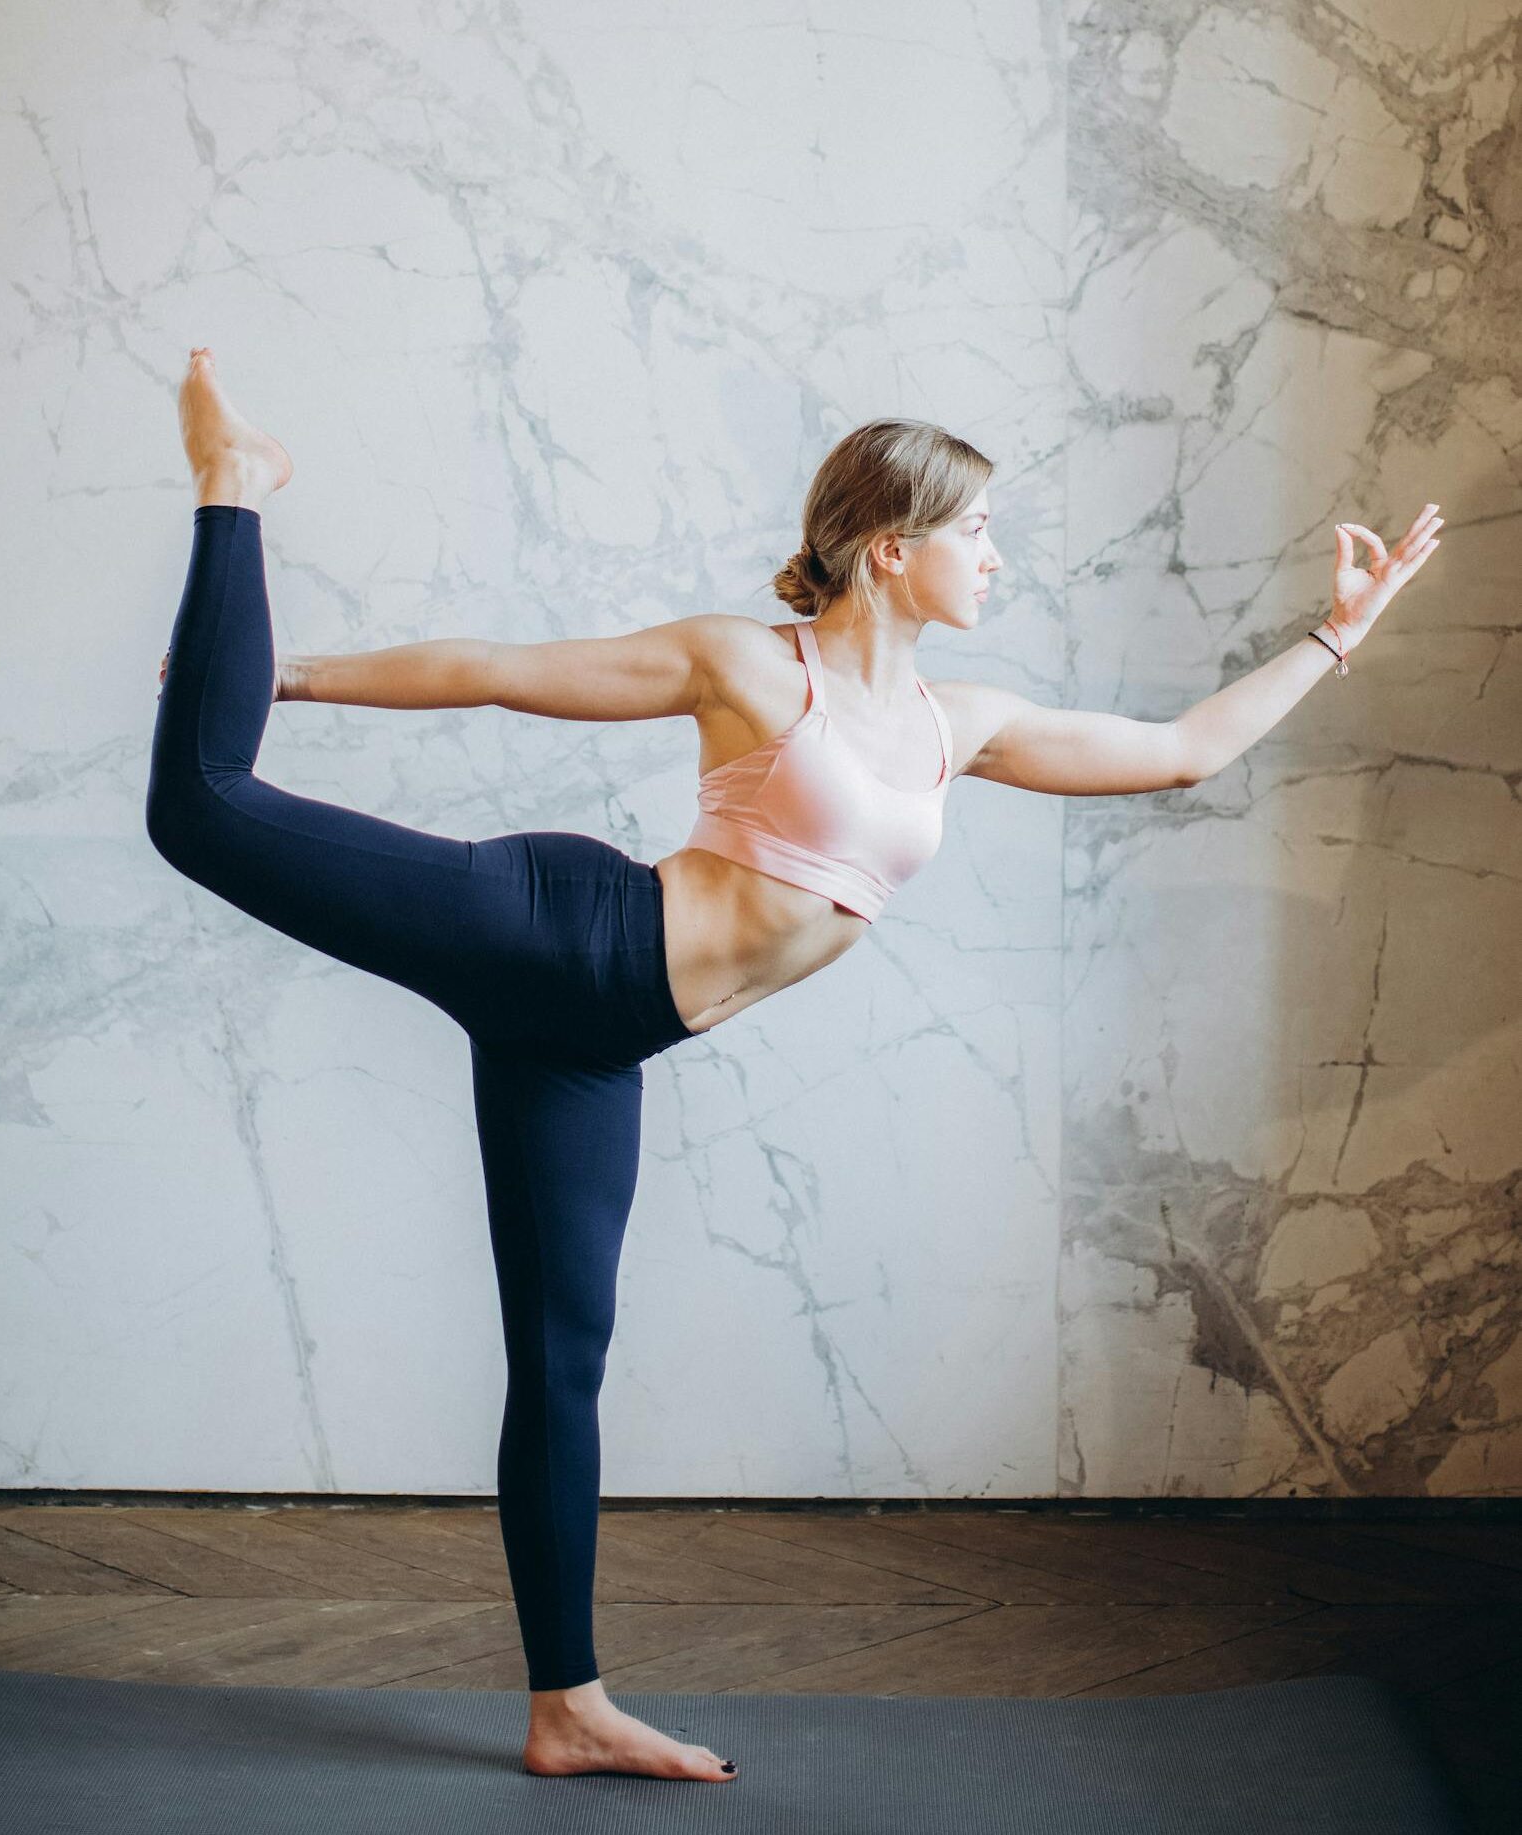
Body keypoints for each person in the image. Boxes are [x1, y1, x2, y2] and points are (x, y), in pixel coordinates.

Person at [148, 348, 1442, 1782]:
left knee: (560, 1363)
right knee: (203, 801)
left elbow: (1185, 751)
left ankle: (565, 1708)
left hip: (598, 1039)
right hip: (556, 935)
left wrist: (1338, 635)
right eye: (978, 533)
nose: (998, 560)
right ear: (893, 551)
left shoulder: (962, 727)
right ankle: (235, 484)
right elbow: (504, 675)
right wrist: (292, 675)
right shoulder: (754, 668)